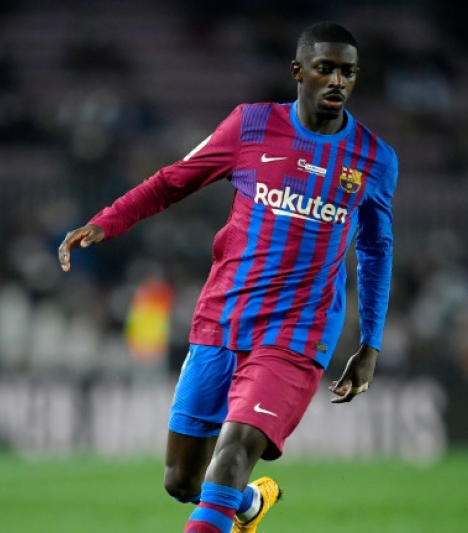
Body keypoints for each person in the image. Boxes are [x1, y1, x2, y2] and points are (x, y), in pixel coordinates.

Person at [58, 21, 397, 533]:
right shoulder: (251, 126)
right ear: (298, 71)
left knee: (234, 450)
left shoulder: (374, 159)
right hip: (224, 316)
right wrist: (108, 222)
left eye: (347, 72)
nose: (336, 81)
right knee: (182, 481)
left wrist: (370, 344)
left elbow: (375, 251)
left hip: (296, 333)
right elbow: (172, 181)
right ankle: (249, 505)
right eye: (324, 69)